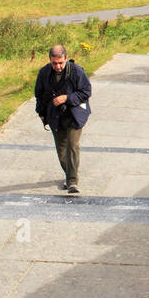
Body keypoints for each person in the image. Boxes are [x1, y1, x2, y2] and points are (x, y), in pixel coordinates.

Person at [34, 44, 91, 194]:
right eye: (54, 63)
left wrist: (67, 98)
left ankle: (72, 181)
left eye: (60, 62)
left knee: (72, 145)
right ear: (50, 61)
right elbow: (39, 95)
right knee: (61, 151)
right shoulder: (44, 73)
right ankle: (70, 173)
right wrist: (41, 114)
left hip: (74, 114)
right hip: (55, 115)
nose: (58, 66)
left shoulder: (77, 71)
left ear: (66, 58)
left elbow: (86, 92)